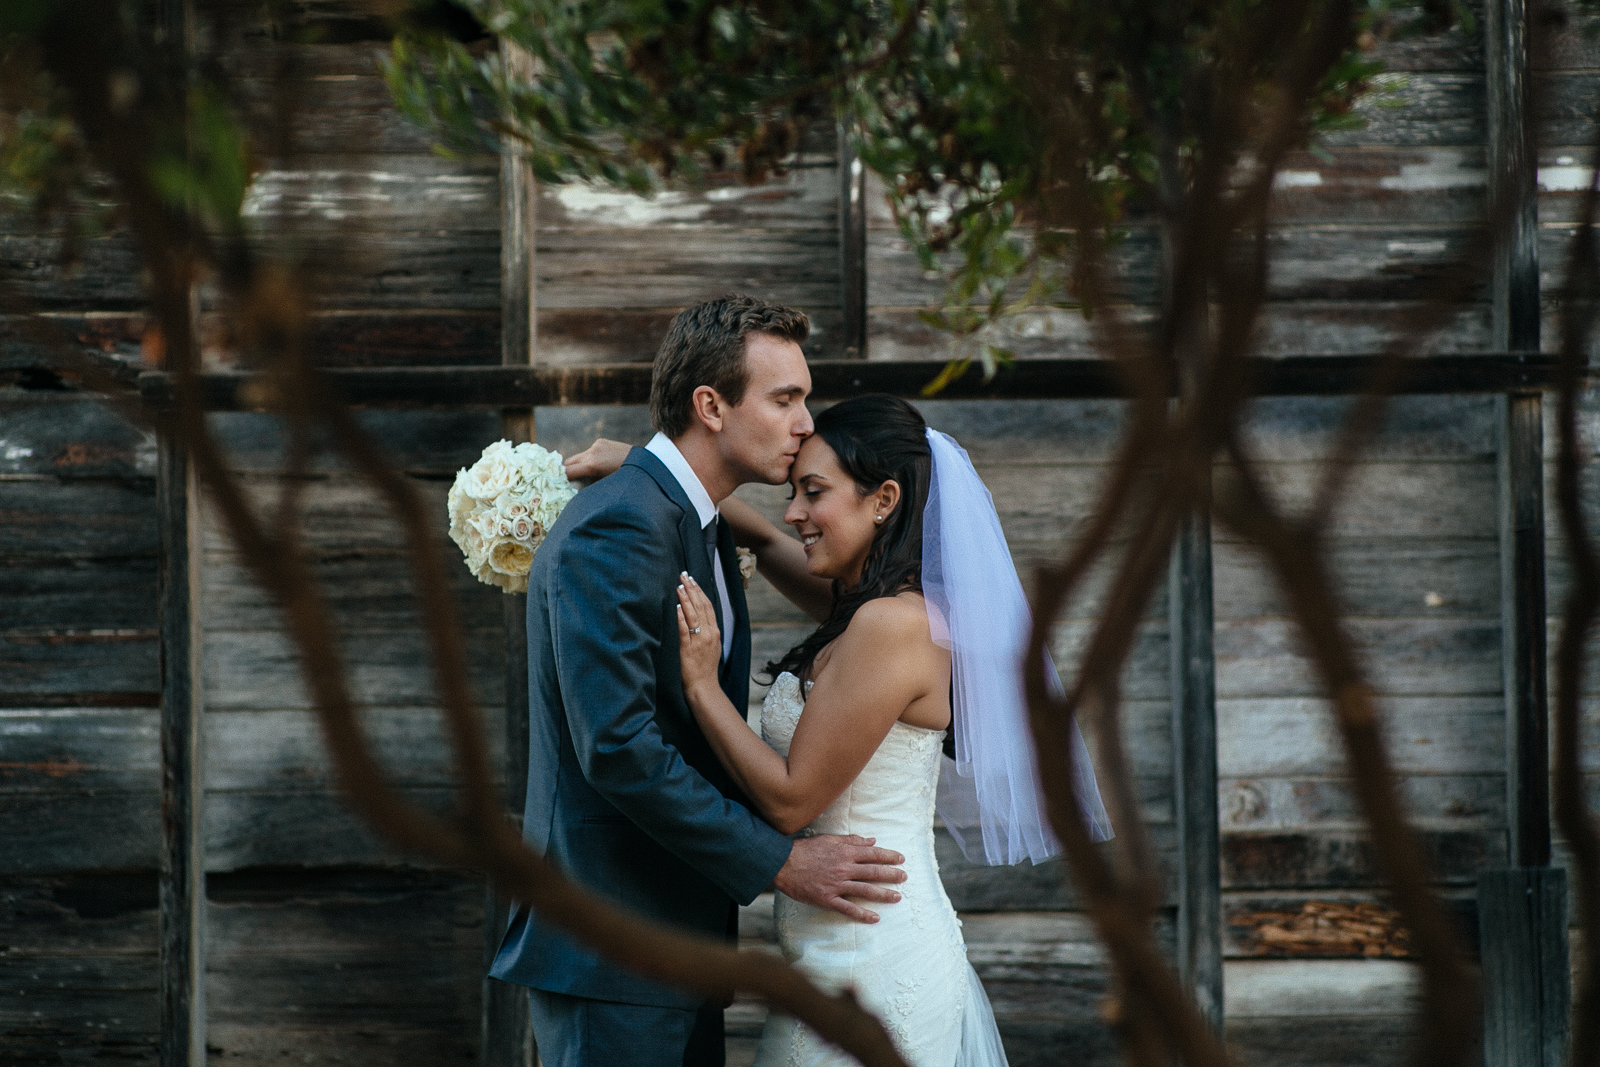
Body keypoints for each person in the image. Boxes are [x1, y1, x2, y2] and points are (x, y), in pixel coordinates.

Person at [581, 393, 1113, 1067]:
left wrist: (700, 685)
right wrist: (649, 466)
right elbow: (770, 542)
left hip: (877, 956)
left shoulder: (890, 627)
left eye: (814, 492)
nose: (793, 511)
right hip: (830, 952)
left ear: (883, 499)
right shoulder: (868, 607)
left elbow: (790, 798)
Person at [490, 296, 909, 1067]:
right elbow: (616, 744)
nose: (806, 423)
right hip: (612, 947)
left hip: (673, 945)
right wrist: (779, 861)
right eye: (785, 399)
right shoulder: (621, 525)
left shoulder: (692, 522)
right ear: (710, 405)